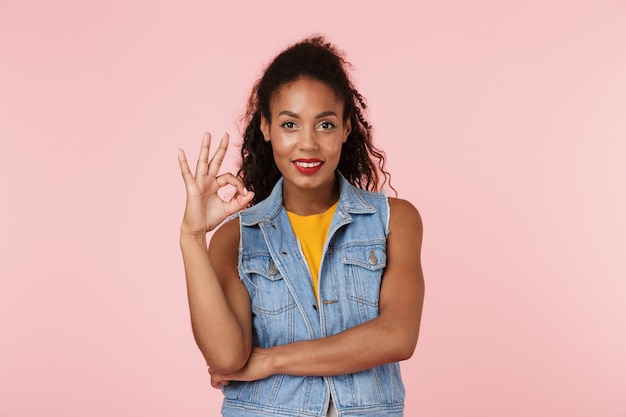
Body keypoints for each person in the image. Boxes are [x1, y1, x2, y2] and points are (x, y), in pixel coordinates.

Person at [177, 36, 425, 417]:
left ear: (345, 128)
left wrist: (272, 360)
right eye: (289, 124)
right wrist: (193, 238)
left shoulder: (395, 221)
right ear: (266, 128)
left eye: (324, 124)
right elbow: (227, 357)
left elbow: (397, 336)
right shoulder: (235, 237)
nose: (307, 144)